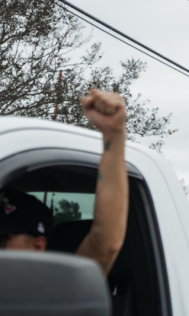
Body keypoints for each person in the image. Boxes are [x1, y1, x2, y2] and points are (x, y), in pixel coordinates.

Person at [0, 89, 128, 276]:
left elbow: (104, 244)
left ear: (37, 246)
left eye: (2, 240)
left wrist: (114, 135)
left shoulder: (54, 288)